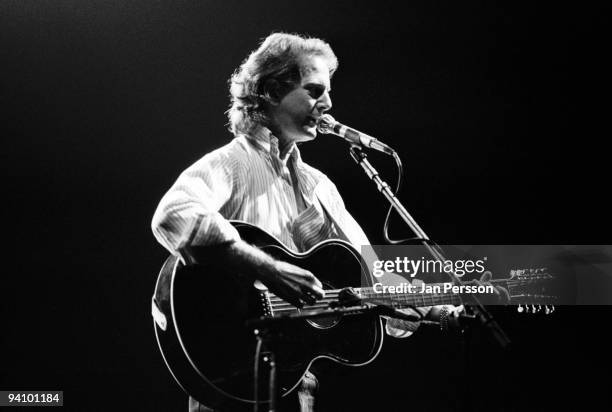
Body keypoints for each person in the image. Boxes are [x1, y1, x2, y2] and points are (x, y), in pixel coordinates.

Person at [152, 32, 464, 412]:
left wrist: (436, 306)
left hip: (296, 380)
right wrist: (269, 270)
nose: (328, 103)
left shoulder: (320, 187)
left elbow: (373, 278)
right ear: (270, 90)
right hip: (231, 371)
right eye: (315, 91)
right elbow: (174, 215)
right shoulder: (232, 163)